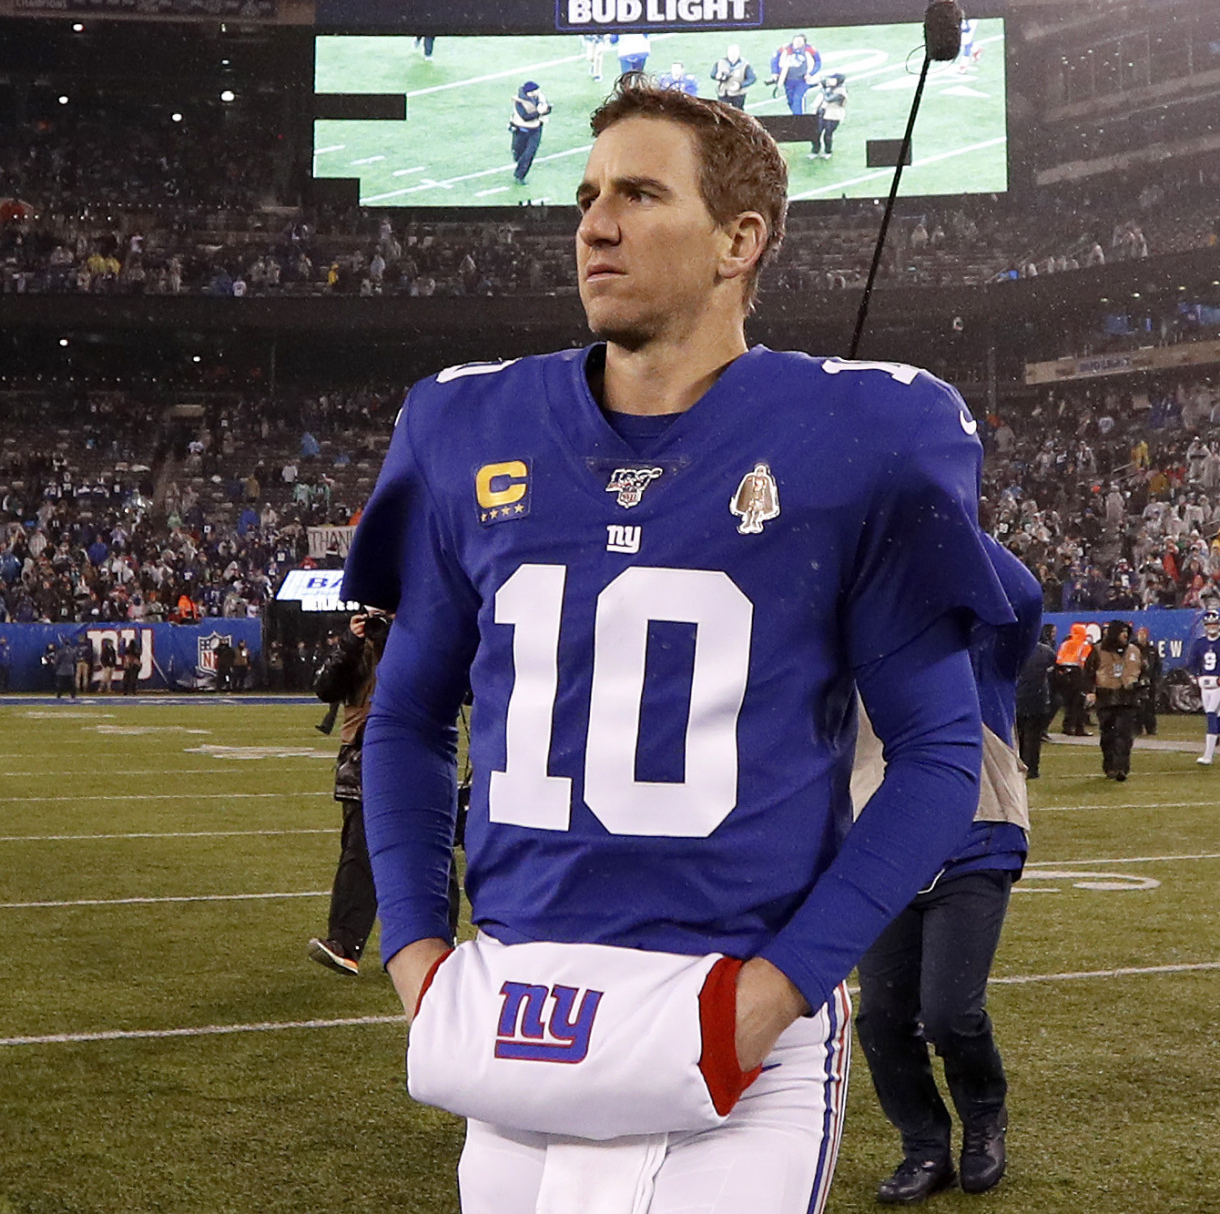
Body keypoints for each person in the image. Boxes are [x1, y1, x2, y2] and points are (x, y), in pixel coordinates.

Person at [345, 77, 1005, 1214]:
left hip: (728, 1014)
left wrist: (779, 988)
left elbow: (942, 756)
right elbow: (404, 719)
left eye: (640, 193)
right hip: (513, 1012)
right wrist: (415, 952)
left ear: (738, 239)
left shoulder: (860, 432)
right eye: (588, 194)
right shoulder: (468, 425)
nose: (593, 224)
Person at [853, 536, 1040, 1204]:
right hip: (884, 856)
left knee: (950, 1010)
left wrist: (942, 513)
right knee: (880, 1016)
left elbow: (1021, 595)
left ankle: (984, 1118)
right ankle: (924, 1144)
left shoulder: (976, 652)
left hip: (977, 838)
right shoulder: (855, 668)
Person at [308, 611, 388, 976]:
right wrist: (351, 644)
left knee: (429, 849)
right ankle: (344, 941)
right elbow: (325, 687)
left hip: (409, 747)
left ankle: (437, 942)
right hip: (361, 752)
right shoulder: (357, 645)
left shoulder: (419, 633)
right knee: (358, 848)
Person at [1092, 619, 1148, 781]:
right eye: (1121, 632)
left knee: (1124, 734)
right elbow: (1089, 672)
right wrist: (1089, 691)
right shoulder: (1098, 650)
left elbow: (1144, 671)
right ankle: (1109, 766)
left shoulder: (1134, 650)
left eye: (1126, 632)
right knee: (1108, 735)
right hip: (1106, 697)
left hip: (1127, 698)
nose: (1125, 635)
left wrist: (1141, 685)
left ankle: (1121, 767)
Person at [1013, 626, 1055, 779]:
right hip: (1038, 699)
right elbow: (1054, 665)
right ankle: (1031, 768)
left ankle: (1019, 765)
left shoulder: (1015, 650)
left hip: (1018, 698)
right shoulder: (1045, 651)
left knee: (1020, 736)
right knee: (1033, 737)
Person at [1187, 607, 1220, 765]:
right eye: (1209, 624)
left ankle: (1208, 755)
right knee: (1212, 714)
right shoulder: (1200, 643)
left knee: (1212, 715)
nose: (1211, 627)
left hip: (1218, 683)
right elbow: (1192, 663)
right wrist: (1196, 676)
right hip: (1205, 684)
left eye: (1214, 624)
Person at [1052, 622, 1095, 735]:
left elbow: (1059, 659)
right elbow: (1086, 663)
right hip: (1078, 675)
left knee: (1069, 703)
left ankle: (1068, 726)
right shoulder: (1084, 646)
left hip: (1064, 674)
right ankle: (1078, 728)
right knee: (1079, 702)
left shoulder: (1065, 644)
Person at [508, 80, 553, 186]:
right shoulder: (519, 101)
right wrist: (539, 112)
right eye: (536, 90)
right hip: (521, 129)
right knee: (518, 151)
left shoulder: (540, 97)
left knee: (529, 154)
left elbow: (547, 108)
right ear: (530, 92)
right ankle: (518, 158)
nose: (539, 92)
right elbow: (525, 117)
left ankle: (520, 175)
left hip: (535, 130)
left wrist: (546, 110)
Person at [770, 32, 822, 117]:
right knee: (791, 100)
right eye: (796, 41)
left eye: (800, 41)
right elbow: (774, 59)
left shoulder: (810, 49)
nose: (797, 43)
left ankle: (799, 118)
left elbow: (818, 62)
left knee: (798, 99)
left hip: (802, 80)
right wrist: (774, 72)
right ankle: (796, 115)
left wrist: (811, 73)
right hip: (788, 79)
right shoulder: (785, 48)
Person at [812, 73, 848, 162]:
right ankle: (815, 150)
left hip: (834, 115)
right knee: (815, 133)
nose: (830, 81)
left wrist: (823, 88)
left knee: (827, 134)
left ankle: (828, 151)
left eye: (833, 79)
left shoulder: (841, 92)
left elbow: (828, 99)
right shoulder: (831, 88)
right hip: (823, 113)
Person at [711, 43, 756, 111]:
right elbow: (712, 75)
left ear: (738, 53)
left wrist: (740, 85)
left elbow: (752, 78)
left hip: (738, 94)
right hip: (723, 93)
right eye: (731, 53)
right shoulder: (720, 62)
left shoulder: (744, 65)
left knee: (738, 112)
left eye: (734, 53)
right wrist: (717, 76)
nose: (732, 55)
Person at [51, 633, 79, 700]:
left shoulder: (61, 651)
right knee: (71, 684)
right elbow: (75, 661)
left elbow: (57, 660)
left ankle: (59, 694)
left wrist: (55, 667)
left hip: (62, 670)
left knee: (60, 683)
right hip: (70, 669)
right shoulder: (73, 651)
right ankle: (73, 694)